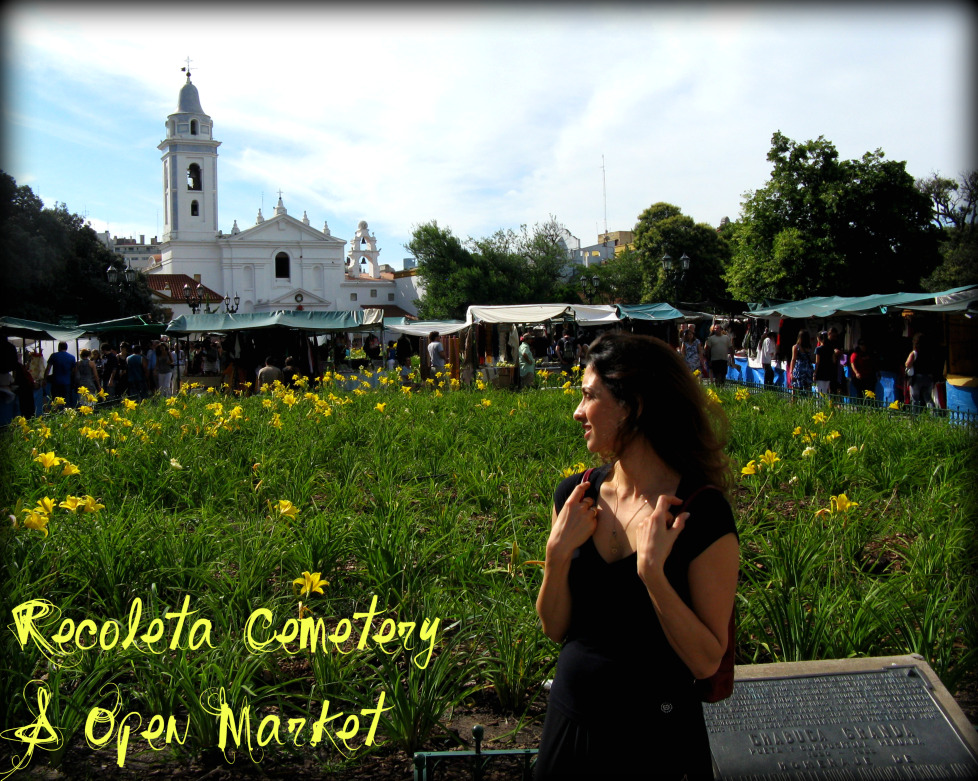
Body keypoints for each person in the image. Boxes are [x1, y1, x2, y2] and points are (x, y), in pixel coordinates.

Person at [535, 332, 738, 780]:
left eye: (590, 396)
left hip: (653, 736)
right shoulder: (576, 495)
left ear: (634, 405)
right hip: (570, 721)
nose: (577, 411)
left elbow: (706, 659)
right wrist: (557, 553)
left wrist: (652, 574)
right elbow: (554, 627)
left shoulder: (699, 514)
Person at [905, 333, 941, 409]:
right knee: (928, 397)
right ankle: (933, 414)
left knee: (915, 398)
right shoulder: (930, 352)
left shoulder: (915, 353)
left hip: (917, 378)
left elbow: (908, 364)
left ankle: (915, 416)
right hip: (929, 377)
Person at [789, 329, 815, 394]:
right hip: (808, 368)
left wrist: (791, 372)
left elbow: (793, 359)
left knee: (795, 387)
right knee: (808, 388)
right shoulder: (809, 347)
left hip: (799, 369)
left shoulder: (796, 347)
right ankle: (809, 402)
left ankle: (793, 402)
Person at [814, 331, 834, 396]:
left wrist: (815, 373)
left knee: (820, 392)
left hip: (820, 372)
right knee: (827, 391)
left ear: (819, 339)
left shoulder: (818, 349)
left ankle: (819, 405)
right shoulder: (831, 348)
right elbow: (834, 360)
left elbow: (817, 362)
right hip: (829, 372)